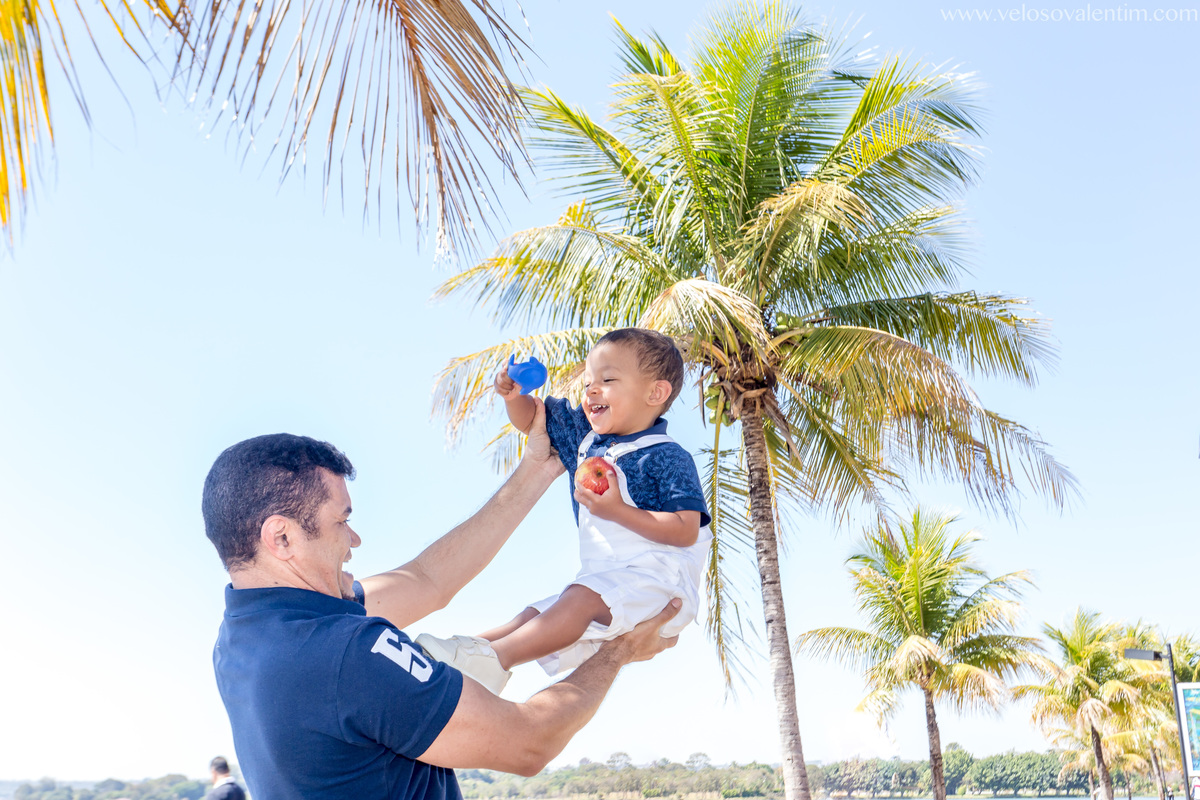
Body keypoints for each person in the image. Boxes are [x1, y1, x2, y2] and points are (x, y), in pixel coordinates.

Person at [204, 403, 679, 800]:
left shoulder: (244, 636)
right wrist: (619, 652)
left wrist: (541, 465)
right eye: (340, 521)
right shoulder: (345, 654)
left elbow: (426, 579)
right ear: (281, 537)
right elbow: (528, 743)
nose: (354, 539)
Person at [416, 328, 710, 694]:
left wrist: (618, 510)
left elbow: (685, 529)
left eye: (607, 379)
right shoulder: (583, 437)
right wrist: (514, 396)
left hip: (661, 584)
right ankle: (458, 653)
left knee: (578, 599)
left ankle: (494, 661)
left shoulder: (666, 455)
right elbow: (531, 419)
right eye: (588, 382)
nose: (591, 390)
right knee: (534, 615)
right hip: (604, 579)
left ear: (656, 393)